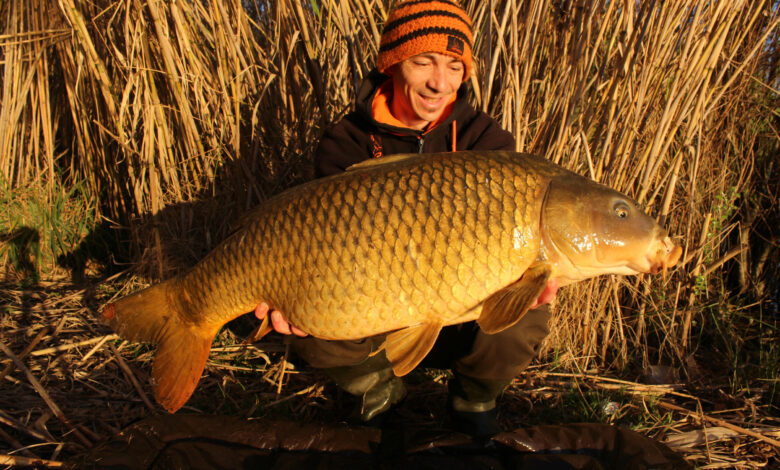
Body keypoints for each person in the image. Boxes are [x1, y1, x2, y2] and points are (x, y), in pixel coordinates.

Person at [255, 0, 557, 436]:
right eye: (423, 62)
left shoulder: (487, 141)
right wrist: (289, 294)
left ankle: (474, 401)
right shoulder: (346, 142)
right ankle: (379, 397)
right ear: (393, 63)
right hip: (371, 308)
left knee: (526, 310)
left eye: (455, 66)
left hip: (460, 313)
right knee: (310, 320)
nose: (440, 83)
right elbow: (316, 247)